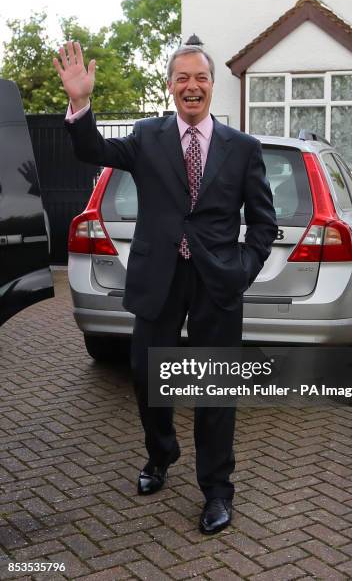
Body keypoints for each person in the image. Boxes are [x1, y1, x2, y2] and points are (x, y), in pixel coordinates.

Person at [54, 41, 277, 534]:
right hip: (160, 275)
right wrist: (79, 104)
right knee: (146, 376)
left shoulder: (242, 149)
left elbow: (264, 223)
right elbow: (93, 149)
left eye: (200, 78)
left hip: (217, 280)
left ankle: (217, 490)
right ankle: (161, 454)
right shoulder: (146, 136)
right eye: (182, 78)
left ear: (212, 84)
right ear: (170, 85)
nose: (191, 87)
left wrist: (242, 268)